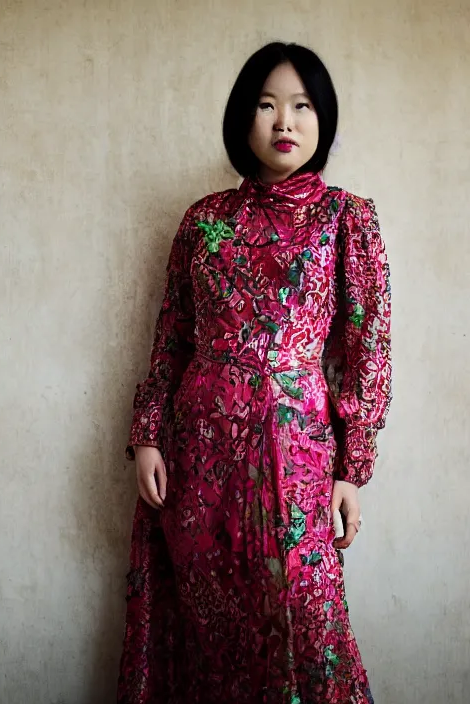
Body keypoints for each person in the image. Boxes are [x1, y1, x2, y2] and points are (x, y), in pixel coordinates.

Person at [117, 42, 392, 704]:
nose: (284, 123)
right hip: (200, 462)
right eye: (266, 106)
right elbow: (171, 340)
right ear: (244, 119)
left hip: (297, 463)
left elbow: (369, 349)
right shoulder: (203, 222)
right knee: (209, 640)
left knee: (310, 634)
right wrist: (149, 434)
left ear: (322, 119)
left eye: (301, 106)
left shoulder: (345, 219)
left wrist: (352, 469)